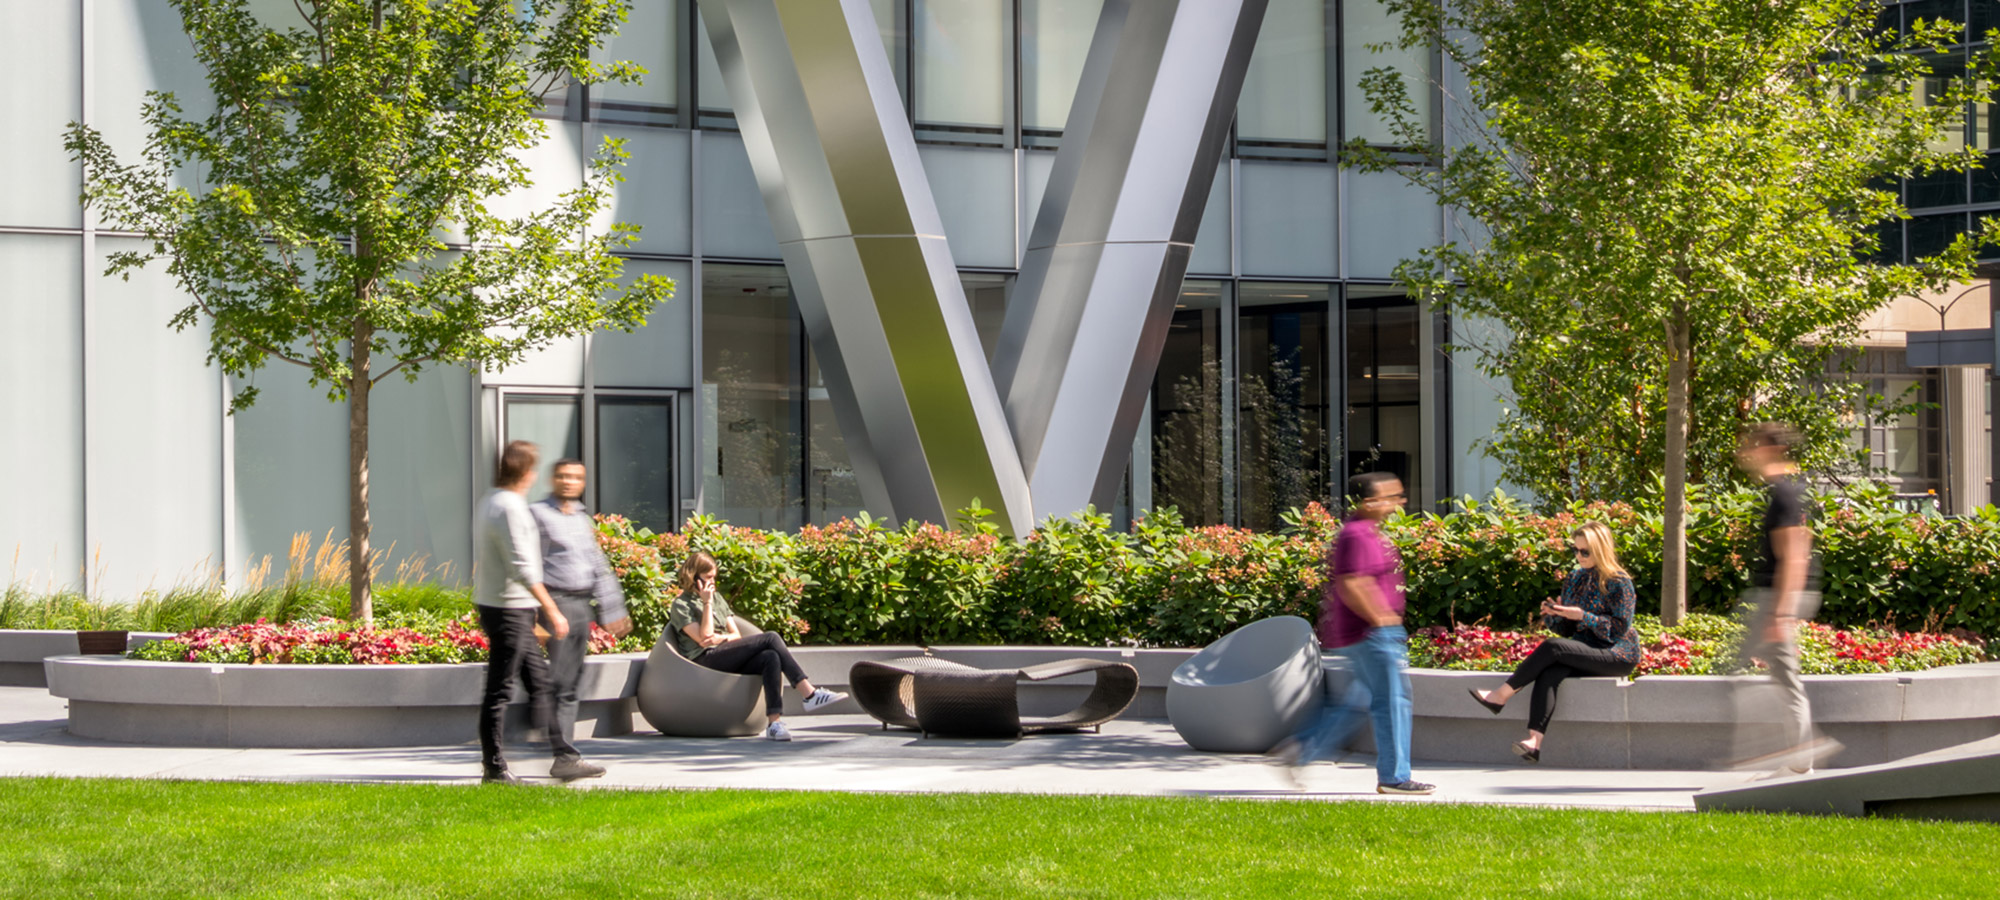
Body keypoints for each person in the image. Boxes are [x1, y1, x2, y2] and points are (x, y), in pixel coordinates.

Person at [1273, 472, 1435, 795]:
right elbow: (1352, 584)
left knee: (1359, 701)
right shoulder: (1358, 535)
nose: (1398, 502)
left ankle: (1301, 749)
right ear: (1371, 501)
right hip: (1372, 633)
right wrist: (1382, 619)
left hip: (1368, 633)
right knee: (1393, 702)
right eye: (1392, 496)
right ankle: (1394, 777)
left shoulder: (1365, 532)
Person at [1466, 522, 1638, 763]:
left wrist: (1583, 615)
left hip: (1617, 654)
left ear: (1601, 549)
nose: (1579, 556)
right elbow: (1567, 631)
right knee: (1551, 670)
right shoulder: (1575, 578)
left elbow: (1618, 630)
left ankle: (1500, 696)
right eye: (1575, 551)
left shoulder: (1619, 582)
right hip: (1585, 648)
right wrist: (1553, 616)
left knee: (1552, 646)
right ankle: (1533, 742)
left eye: (1585, 551)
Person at [1732, 422, 1832, 775]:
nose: (1746, 452)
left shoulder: (1785, 495)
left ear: (1768, 448)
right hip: (1776, 596)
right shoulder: (1789, 491)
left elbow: (1794, 555)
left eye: (1751, 445)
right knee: (1766, 676)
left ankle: (1801, 759)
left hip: (1777, 597)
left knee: (1778, 680)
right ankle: (1795, 755)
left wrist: (1782, 615)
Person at [528, 459, 635, 782]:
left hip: (579, 606)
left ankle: (560, 746)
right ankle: (563, 753)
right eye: (562, 476)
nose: (568, 481)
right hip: (554, 604)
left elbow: (597, 566)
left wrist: (612, 609)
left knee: (570, 684)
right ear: (552, 479)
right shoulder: (539, 515)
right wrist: (537, 614)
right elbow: (528, 566)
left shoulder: (579, 518)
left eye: (575, 477)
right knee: (560, 683)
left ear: (583, 481)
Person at [667, 552, 848, 741]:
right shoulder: (681, 605)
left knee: (771, 656)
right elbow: (703, 638)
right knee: (770, 638)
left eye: (714, 577)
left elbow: (736, 634)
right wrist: (706, 603)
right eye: (708, 578)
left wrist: (720, 638)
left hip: (724, 652)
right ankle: (809, 694)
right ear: (693, 576)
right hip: (703, 661)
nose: (712, 582)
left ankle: (774, 723)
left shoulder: (717, 598)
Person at [473, 440, 571, 785]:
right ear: (527, 471)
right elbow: (522, 568)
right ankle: (494, 768)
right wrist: (553, 610)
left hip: (507, 606)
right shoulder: (508, 507)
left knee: (540, 683)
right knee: (499, 690)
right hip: (509, 609)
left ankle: (565, 757)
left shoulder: (490, 502)